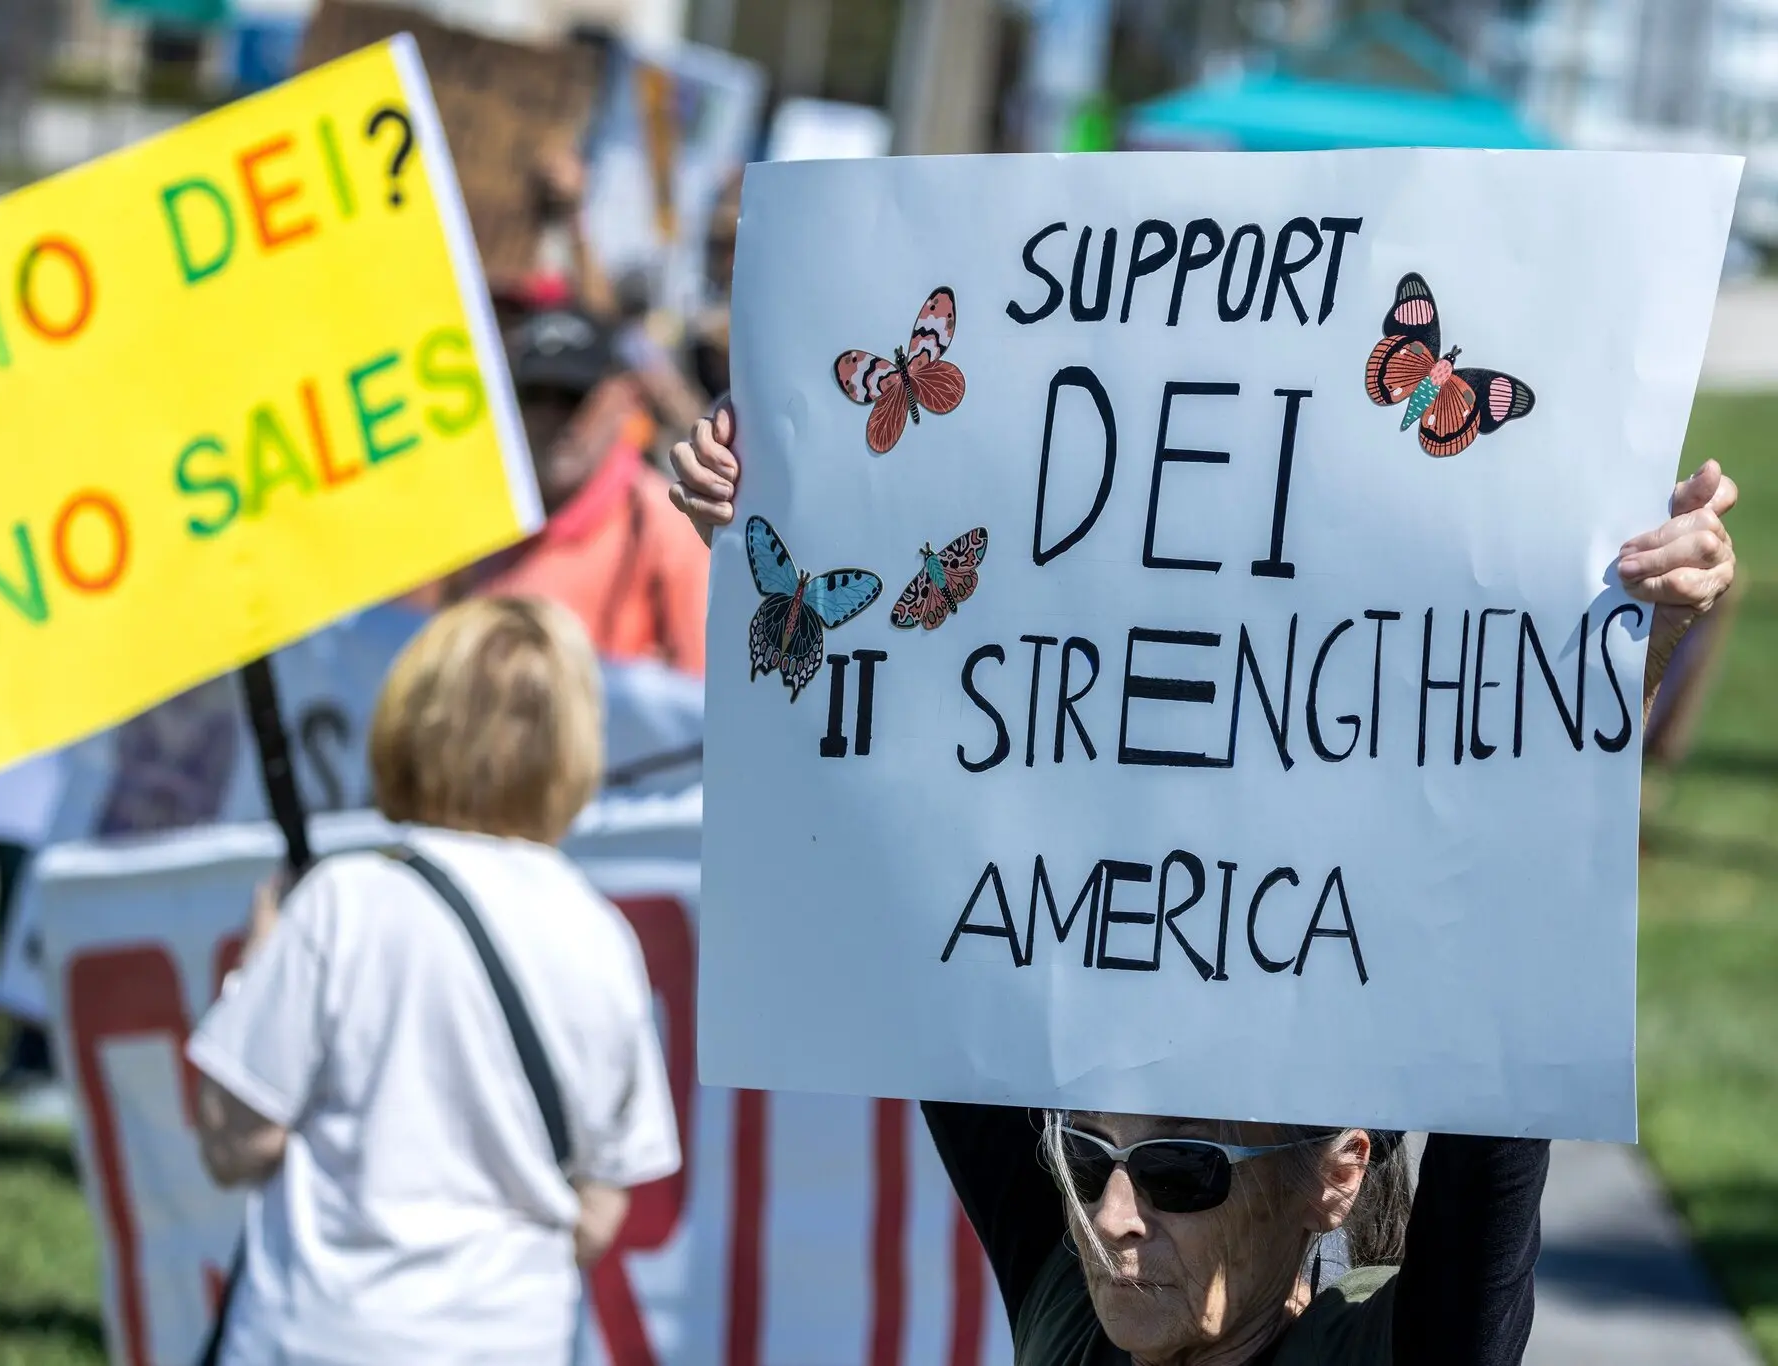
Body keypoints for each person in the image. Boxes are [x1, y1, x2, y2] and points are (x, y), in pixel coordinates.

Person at [668, 399, 1738, 1365]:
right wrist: (774, 531)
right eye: (1085, 1162)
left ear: (1334, 1175)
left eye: (1182, 1173)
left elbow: (1508, 1018)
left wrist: (1629, 650)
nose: (1113, 1217)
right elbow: (918, 882)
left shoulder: (1406, 1352)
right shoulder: (1070, 1305)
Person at [186, 596, 681, 1366]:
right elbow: (601, 1208)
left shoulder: (344, 902)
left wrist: (254, 967)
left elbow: (237, 1143)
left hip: (319, 1336)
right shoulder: (603, 937)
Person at [406, 307, 712, 675]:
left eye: (572, 397)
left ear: (626, 399)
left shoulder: (665, 527)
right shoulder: (477, 515)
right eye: (535, 396)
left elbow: (697, 698)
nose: (553, 418)